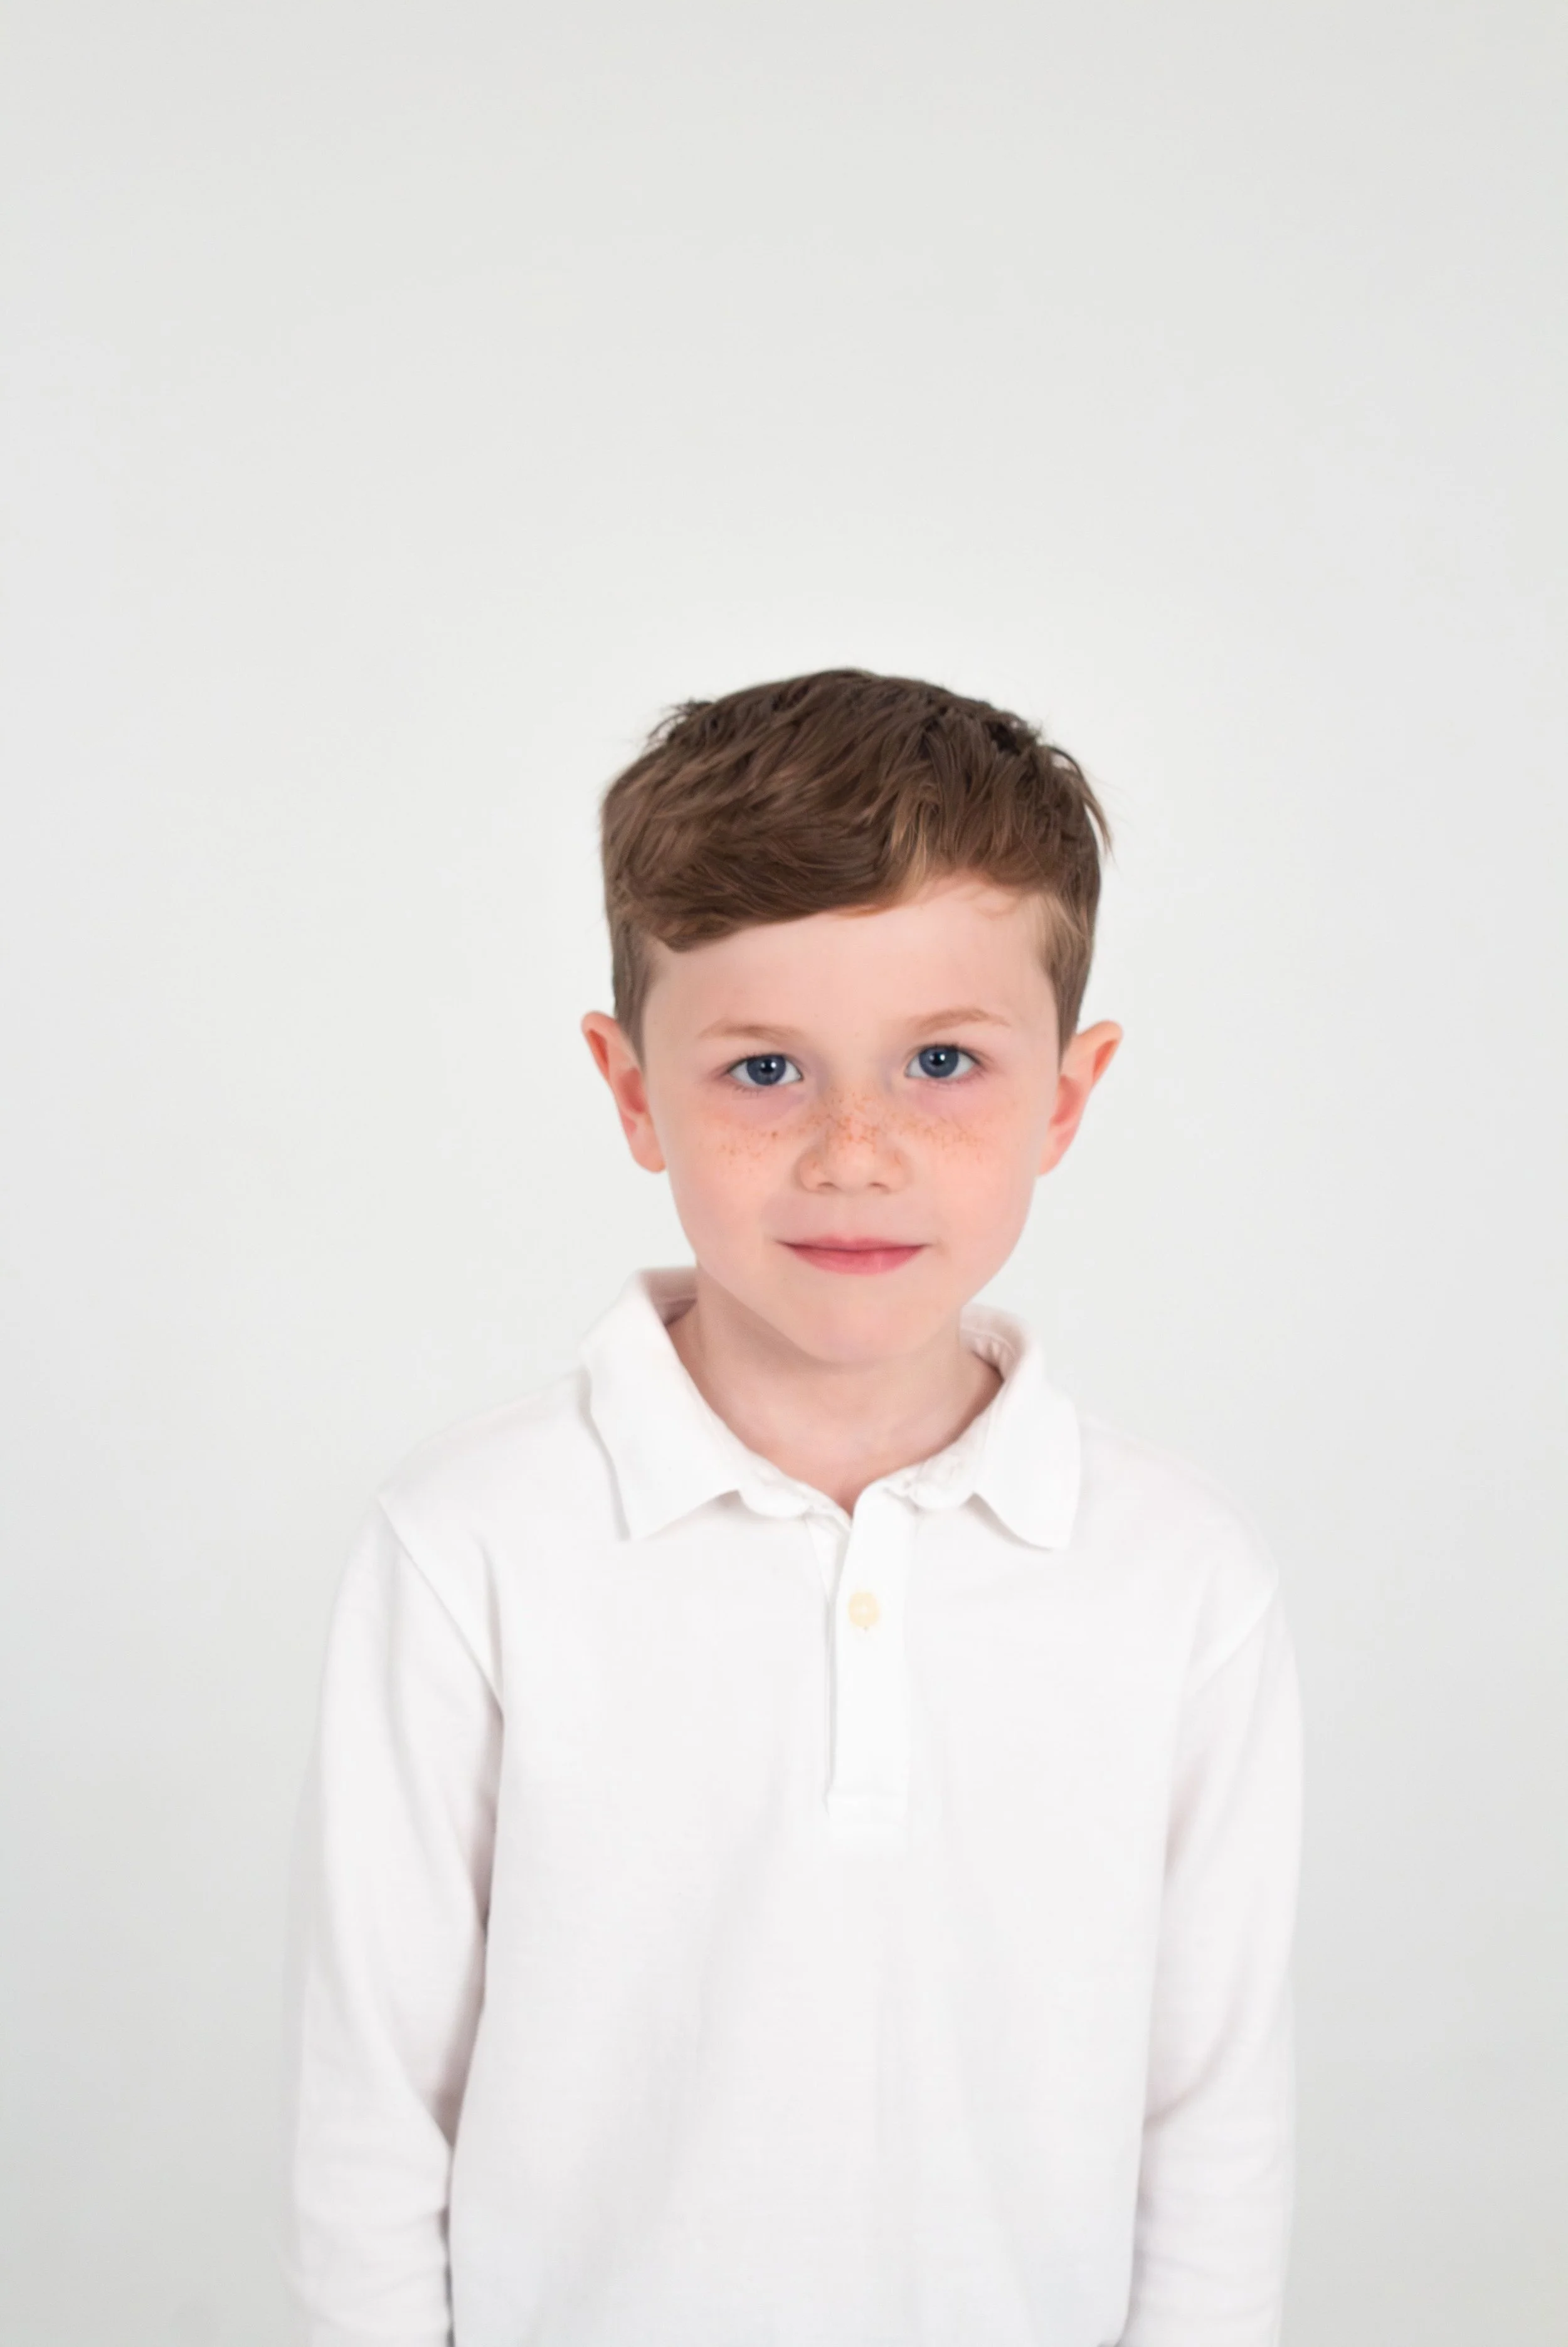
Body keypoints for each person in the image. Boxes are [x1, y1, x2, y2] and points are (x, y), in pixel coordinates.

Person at [278, 667, 1304, 2346]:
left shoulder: (1178, 1577)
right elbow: (374, 2109)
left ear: (1065, 1092)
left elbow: (1211, 2126)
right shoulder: (472, 1544)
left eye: (943, 1061)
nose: (853, 1147)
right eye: (763, 1070)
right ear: (630, 1087)